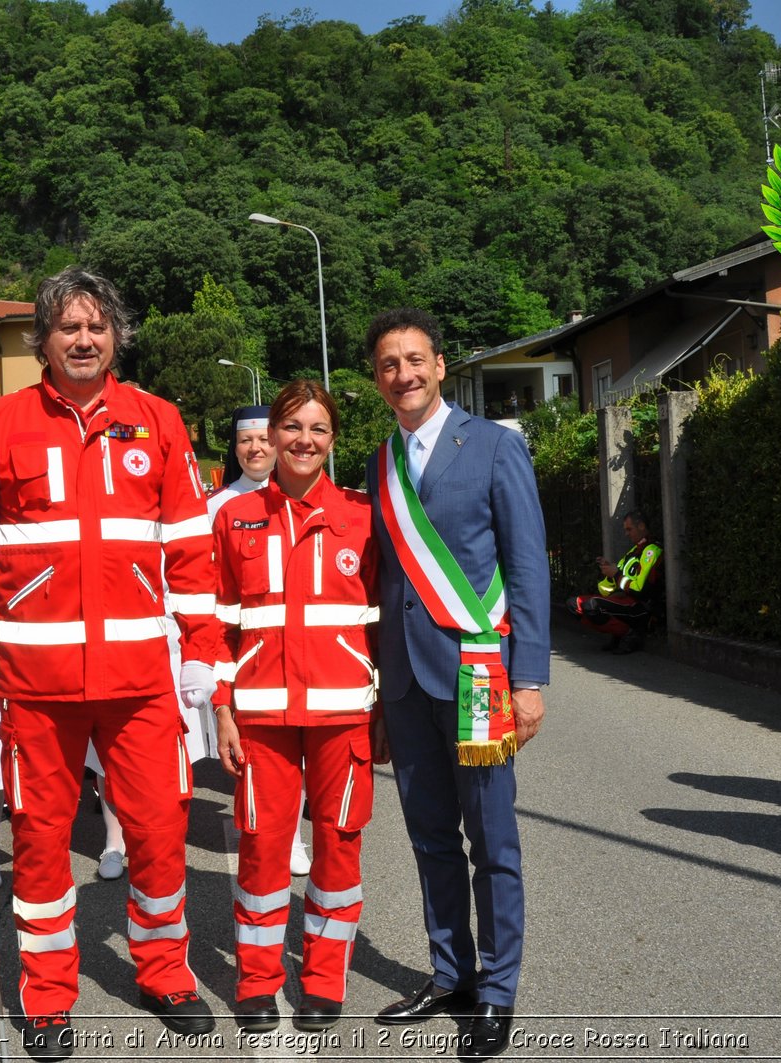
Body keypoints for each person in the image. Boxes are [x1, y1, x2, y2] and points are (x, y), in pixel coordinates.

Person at [0, 266, 218, 1060]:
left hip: (141, 677)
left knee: (158, 829)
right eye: (67, 327)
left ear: (116, 336)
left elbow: (188, 548)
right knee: (40, 838)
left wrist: (203, 653)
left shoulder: (159, 419)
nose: (83, 339)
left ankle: (165, 970)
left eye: (96, 327)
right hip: (35, 684)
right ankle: (45, 995)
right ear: (42, 339)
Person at [364, 308, 549, 1062]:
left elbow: (529, 566)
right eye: (387, 364)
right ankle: (453, 974)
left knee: (491, 837)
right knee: (430, 836)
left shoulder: (498, 446)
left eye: (414, 359)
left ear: (440, 364)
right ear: (377, 379)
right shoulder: (380, 461)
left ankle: (499, 989)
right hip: (406, 682)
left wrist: (529, 678)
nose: (402, 373)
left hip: (480, 676)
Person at [212, 381, 382, 1033]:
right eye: (292, 427)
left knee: (339, 849)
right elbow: (219, 624)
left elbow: (381, 624)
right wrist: (223, 711)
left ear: (333, 439)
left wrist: (384, 713)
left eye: (318, 428)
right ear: (272, 434)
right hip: (262, 719)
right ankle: (256, 979)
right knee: (261, 849)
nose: (303, 440)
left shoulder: (364, 516)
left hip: (345, 717)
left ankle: (323, 978)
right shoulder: (235, 517)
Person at [208, 404, 312, 877]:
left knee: (300, 757)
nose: (255, 449)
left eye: (263, 439)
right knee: (253, 760)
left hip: (301, 653)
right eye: (245, 440)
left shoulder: (303, 497)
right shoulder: (216, 507)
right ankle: (271, 838)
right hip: (246, 655)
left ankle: (293, 835)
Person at [564, 510, 663, 654]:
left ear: (641, 526)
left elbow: (640, 590)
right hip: (622, 601)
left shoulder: (651, 551)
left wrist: (615, 574)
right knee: (574, 604)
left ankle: (631, 634)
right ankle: (621, 633)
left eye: (629, 529)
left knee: (592, 605)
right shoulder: (632, 552)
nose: (626, 534)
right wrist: (608, 570)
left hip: (640, 607)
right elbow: (605, 589)